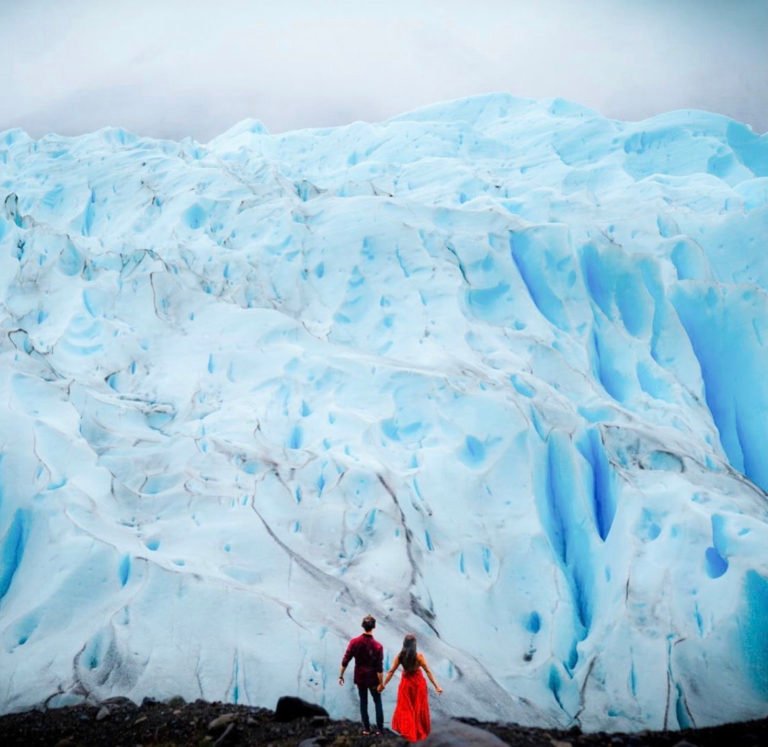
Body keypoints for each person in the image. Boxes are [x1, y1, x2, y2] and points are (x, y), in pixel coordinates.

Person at [380, 633, 442, 742]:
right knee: (418, 707)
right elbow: (428, 671)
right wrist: (437, 686)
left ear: (404, 644)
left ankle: (407, 730)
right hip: (418, 685)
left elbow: (391, 672)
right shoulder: (419, 657)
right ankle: (418, 731)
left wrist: (383, 684)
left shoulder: (400, 656)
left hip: (406, 685)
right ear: (415, 645)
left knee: (406, 707)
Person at [339, 614, 384, 736]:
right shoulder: (378, 646)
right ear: (373, 627)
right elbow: (379, 668)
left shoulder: (354, 642)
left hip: (361, 678)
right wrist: (381, 683)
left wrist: (341, 675)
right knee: (377, 702)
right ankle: (380, 730)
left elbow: (346, 660)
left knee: (363, 702)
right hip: (373, 678)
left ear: (363, 626)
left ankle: (366, 729)